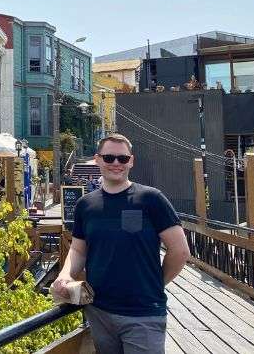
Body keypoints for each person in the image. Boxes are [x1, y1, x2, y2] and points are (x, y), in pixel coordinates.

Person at [51, 133, 190, 354]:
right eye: (109, 158)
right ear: (97, 160)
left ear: (131, 161)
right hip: (99, 311)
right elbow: (78, 249)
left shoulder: (151, 199)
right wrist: (66, 275)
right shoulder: (85, 205)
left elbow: (180, 251)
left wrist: (155, 283)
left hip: (143, 313)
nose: (116, 163)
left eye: (122, 159)